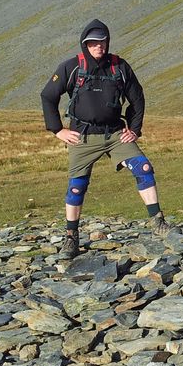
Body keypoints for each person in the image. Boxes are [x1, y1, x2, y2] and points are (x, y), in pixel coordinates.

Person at [40, 19, 170, 256]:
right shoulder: (71, 67)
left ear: (107, 42)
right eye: (92, 43)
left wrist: (134, 129)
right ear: (85, 44)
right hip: (82, 137)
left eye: (102, 42)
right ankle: (71, 238)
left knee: (143, 168)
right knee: (77, 187)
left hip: (116, 134)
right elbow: (48, 96)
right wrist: (58, 130)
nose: (98, 46)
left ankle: (158, 222)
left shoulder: (120, 67)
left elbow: (137, 98)